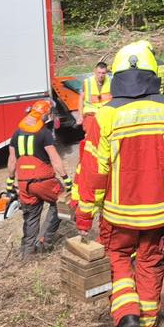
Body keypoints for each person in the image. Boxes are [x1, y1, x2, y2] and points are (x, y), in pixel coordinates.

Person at [75, 41, 164, 327]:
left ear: (116, 76)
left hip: (118, 215)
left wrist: (84, 215)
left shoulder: (105, 115)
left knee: (118, 258)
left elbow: (93, 170)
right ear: (152, 73)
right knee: (150, 263)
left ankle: (127, 314)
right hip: (160, 213)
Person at [6, 99, 71, 257]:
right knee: (62, 203)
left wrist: (9, 183)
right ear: (46, 115)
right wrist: (67, 181)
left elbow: (12, 160)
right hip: (43, 181)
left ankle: (27, 253)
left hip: (24, 184)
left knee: (31, 216)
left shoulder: (16, 133)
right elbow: (55, 159)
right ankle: (43, 242)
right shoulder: (44, 133)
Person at [69, 62, 112, 218]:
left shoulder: (111, 81)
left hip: (105, 117)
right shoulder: (87, 83)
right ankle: (89, 168)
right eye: (99, 73)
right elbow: (81, 99)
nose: (101, 75)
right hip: (91, 117)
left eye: (103, 73)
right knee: (90, 148)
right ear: (95, 71)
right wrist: (80, 115)